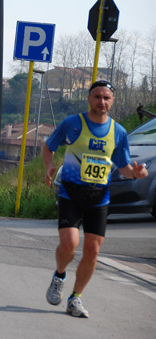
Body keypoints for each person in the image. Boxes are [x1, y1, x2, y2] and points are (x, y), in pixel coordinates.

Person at [43, 80, 148, 318]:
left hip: (99, 197)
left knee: (93, 251)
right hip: (71, 192)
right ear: (89, 99)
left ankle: (75, 298)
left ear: (112, 101)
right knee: (70, 245)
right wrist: (49, 167)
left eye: (106, 98)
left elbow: (123, 167)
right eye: (97, 96)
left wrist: (137, 174)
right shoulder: (72, 124)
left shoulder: (118, 132)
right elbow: (49, 146)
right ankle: (60, 275)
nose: (102, 101)